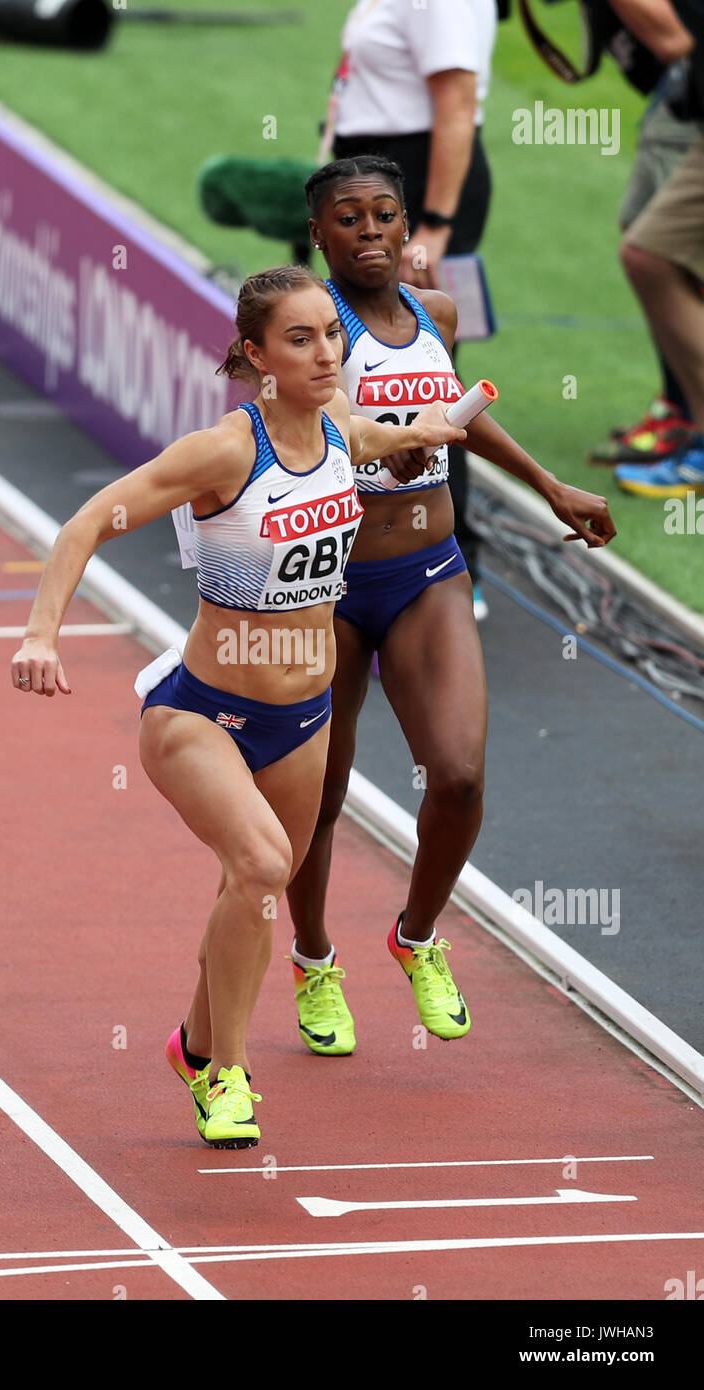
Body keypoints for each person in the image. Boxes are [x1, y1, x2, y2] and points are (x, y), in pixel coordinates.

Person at [10, 264, 465, 1147]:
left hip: (305, 717)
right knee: (260, 867)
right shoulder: (224, 450)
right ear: (256, 355)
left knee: (256, 890)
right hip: (202, 714)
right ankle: (228, 1075)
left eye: (331, 334)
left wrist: (434, 428)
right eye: (301, 339)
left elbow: (367, 436)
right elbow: (87, 523)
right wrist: (40, 635)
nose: (327, 352)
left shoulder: (333, 424)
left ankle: (195, 1043)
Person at [283, 157, 616, 1059]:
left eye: (383, 215)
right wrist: (377, 445)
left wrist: (549, 483)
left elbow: (453, 410)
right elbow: (310, 423)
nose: (368, 232)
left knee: (460, 777)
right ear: (318, 235)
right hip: (327, 583)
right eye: (346, 219)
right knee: (318, 793)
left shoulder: (441, 314)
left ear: (406, 227)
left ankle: (416, 936)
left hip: (429, 569)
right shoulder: (312, 326)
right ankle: (314, 959)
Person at [323, 0, 499, 617]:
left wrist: (436, 226)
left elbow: (457, 103)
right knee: (361, 369)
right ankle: (347, 550)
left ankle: (456, 561)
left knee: (428, 378)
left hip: (420, 192)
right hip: (373, 184)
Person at [609, 0, 704, 497]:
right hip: (687, 102)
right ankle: (686, 420)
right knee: (650, 250)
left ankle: (688, 422)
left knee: (660, 257)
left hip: (688, 111)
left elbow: (673, 39)